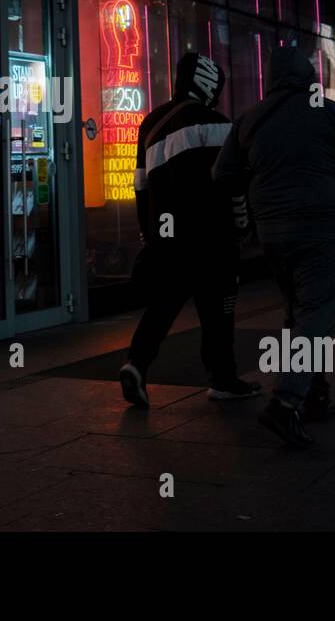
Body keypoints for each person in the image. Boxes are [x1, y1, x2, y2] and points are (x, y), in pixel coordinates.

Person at [213, 44, 335, 448]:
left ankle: (315, 395)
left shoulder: (250, 119)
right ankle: (286, 403)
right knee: (317, 317)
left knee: (298, 315)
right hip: (322, 231)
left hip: (273, 235)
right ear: (309, 76)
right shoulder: (332, 113)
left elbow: (222, 175)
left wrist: (255, 200)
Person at [119, 52, 263, 408]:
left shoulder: (150, 124)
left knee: (164, 304)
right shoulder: (216, 123)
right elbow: (233, 183)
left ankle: (136, 363)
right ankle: (222, 378)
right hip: (211, 236)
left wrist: (148, 233)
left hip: (167, 236)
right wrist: (242, 226)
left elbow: (139, 187)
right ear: (208, 83)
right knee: (219, 310)